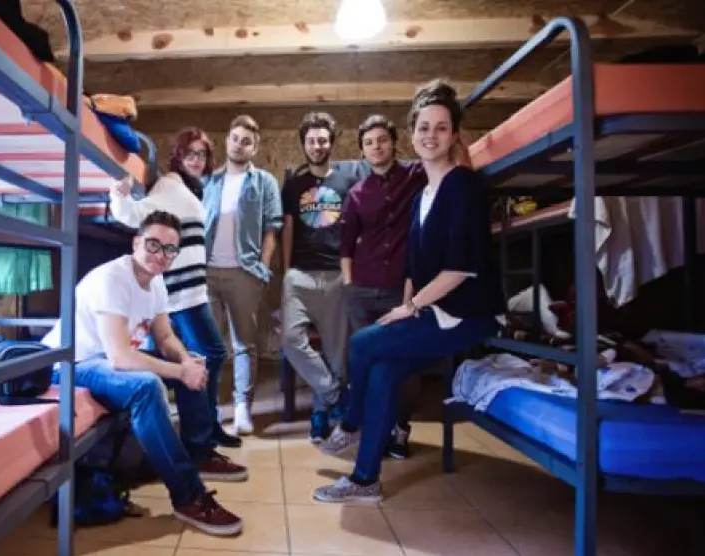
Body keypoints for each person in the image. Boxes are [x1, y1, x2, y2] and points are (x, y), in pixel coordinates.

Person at [313, 80, 505, 504]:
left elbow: (461, 268)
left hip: (467, 312)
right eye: (423, 127)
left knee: (362, 344)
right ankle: (365, 480)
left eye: (441, 127)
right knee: (383, 371)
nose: (431, 135)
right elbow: (415, 268)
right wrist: (408, 304)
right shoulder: (423, 198)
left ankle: (350, 425)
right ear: (414, 134)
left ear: (454, 135)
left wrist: (412, 306)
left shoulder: (462, 185)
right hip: (436, 309)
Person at [41, 210, 247, 536]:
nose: (160, 255)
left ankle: (198, 452)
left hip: (106, 360)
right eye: (153, 245)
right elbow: (121, 357)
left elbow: (164, 337)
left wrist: (186, 362)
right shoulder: (113, 279)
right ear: (136, 242)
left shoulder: (156, 282)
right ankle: (189, 496)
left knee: (195, 361)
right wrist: (179, 371)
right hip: (71, 364)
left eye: (169, 249)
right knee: (147, 386)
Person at [109, 127, 241, 448]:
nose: (196, 160)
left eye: (202, 154)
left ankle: (208, 427)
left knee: (202, 357)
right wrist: (118, 194)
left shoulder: (191, 189)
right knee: (209, 354)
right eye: (189, 154)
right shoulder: (170, 186)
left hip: (191, 291)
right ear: (178, 157)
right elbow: (133, 215)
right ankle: (201, 437)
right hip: (182, 294)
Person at [279, 112, 368, 444]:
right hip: (299, 275)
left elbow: (356, 229)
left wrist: (351, 272)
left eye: (322, 140)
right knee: (291, 340)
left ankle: (321, 414)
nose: (317, 146)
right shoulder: (293, 185)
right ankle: (335, 395)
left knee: (335, 353)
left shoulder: (347, 182)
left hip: (335, 275)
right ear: (303, 144)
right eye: (311, 141)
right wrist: (286, 271)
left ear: (331, 143)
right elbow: (288, 229)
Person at [202, 115, 283, 436]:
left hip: (244, 271)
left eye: (246, 141)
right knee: (207, 345)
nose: (239, 145)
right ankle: (207, 408)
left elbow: (272, 229)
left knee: (243, 344)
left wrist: (262, 268)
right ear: (227, 141)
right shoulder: (209, 180)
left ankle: (241, 408)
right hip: (207, 271)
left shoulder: (264, 182)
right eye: (235, 138)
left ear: (254, 148)